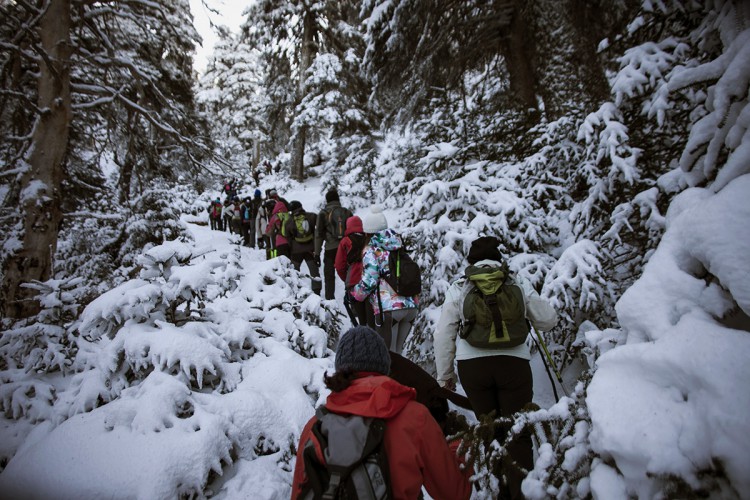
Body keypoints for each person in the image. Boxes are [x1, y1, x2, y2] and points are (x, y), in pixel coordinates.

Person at [433, 235, 558, 500]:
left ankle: (498, 492)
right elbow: (548, 320)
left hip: (472, 369)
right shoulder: (515, 282)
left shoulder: (461, 286)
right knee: (518, 431)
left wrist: (445, 376)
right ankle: (522, 492)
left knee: (489, 428)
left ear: (472, 262)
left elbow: (444, 333)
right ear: (498, 259)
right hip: (514, 365)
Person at [291, 326, 472, 500]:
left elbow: (300, 493)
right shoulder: (416, 417)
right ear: (385, 367)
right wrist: (458, 446)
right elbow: (454, 493)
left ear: (340, 369)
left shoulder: (315, 426)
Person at [350, 205, 419, 354]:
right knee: (399, 354)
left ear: (367, 231)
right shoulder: (398, 246)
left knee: (388, 356)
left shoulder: (371, 250)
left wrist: (355, 294)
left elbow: (370, 280)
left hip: (389, 309)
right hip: (410, 306)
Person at [334, 215, 373, 328]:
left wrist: (347, 278)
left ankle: (362, 334)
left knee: (360, 318)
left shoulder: (345, 241)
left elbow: (339, 266)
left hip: (354, 283)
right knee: (372, 317)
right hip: (370, 280)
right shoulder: (368, 239)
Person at [315, 188, 353, 300]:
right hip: (345, 248)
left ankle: (329, 302)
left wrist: (317, 253)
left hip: (330, 249)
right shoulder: (346, 212)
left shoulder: (323, 214)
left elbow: (319, 235)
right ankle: (353, 301)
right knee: (349, 275)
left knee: (329, 276)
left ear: (327, 200)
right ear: (338, 199)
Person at [285, 200, 322, 295]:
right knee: (314, 271)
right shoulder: (311, 216)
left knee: (295, 272)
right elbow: (320, 227)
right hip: (310, 249)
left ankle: (296, 291)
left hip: (296, 251)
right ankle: (316, 291)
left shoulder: (289, 221)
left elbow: (287, 236)